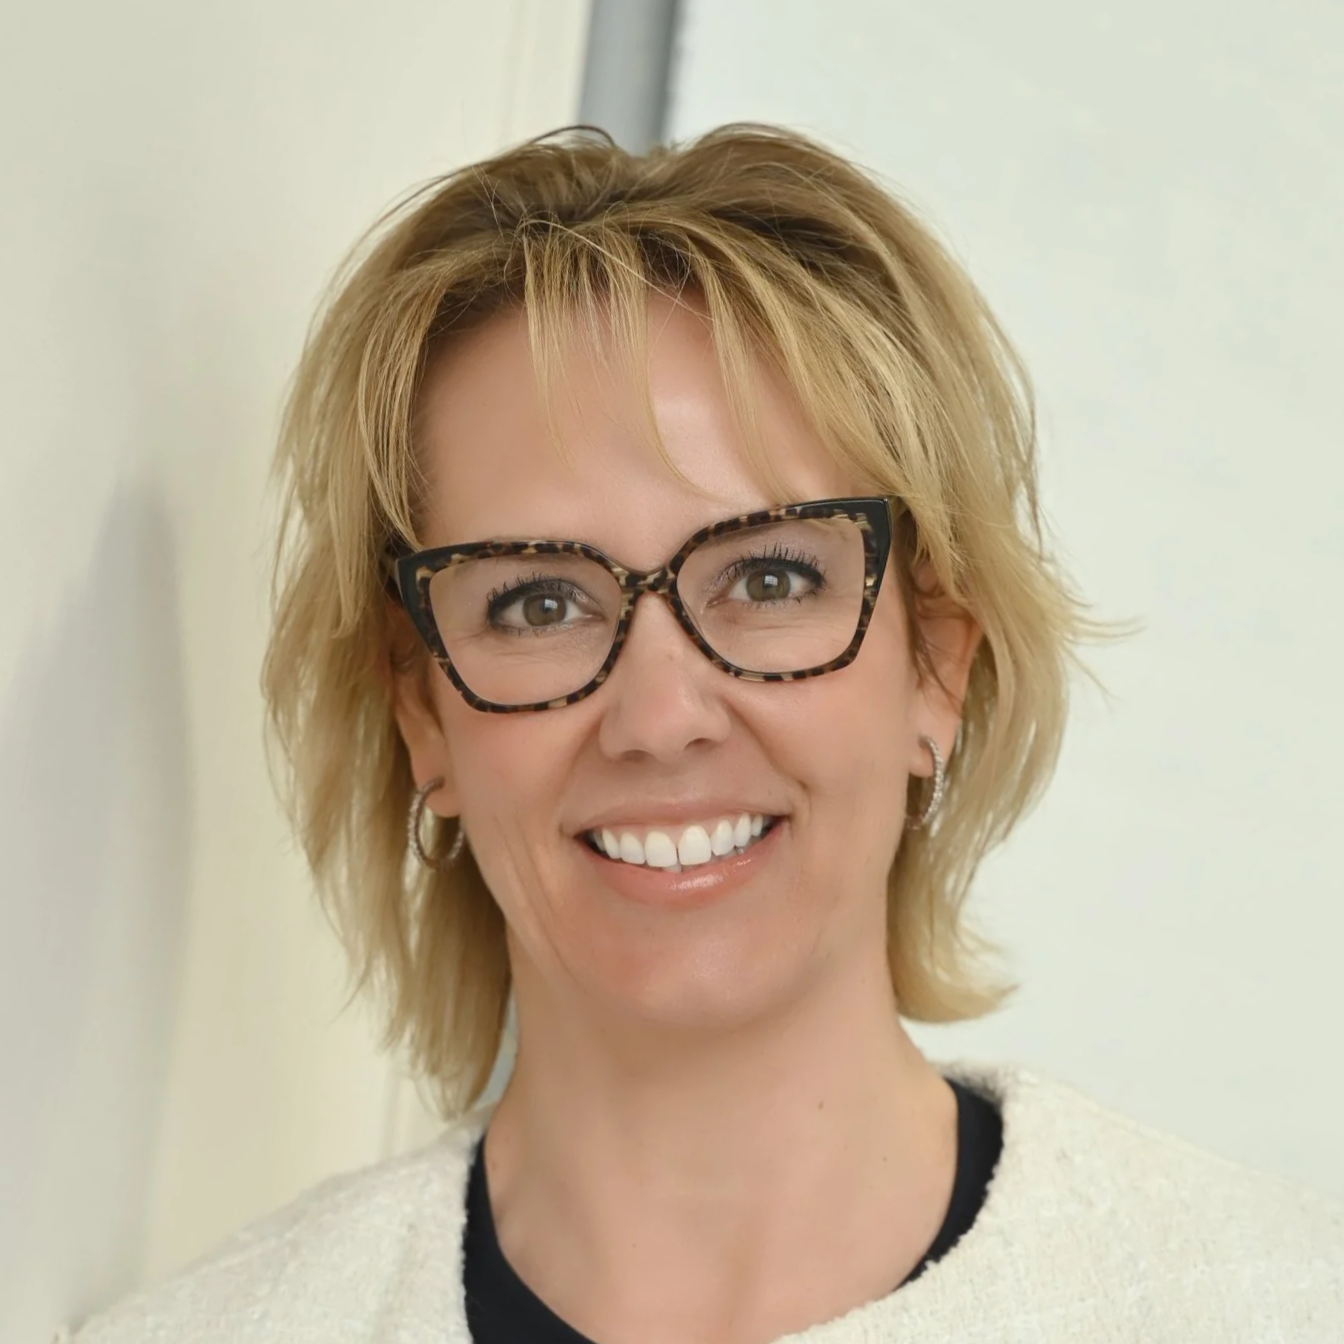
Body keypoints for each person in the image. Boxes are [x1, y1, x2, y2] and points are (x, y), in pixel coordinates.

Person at [66, 124, 1342, 1344]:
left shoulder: (1273, 1303)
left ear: (937, 662)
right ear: (424, 716)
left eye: (773, 579)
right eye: (538, 601)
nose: (662, 719)